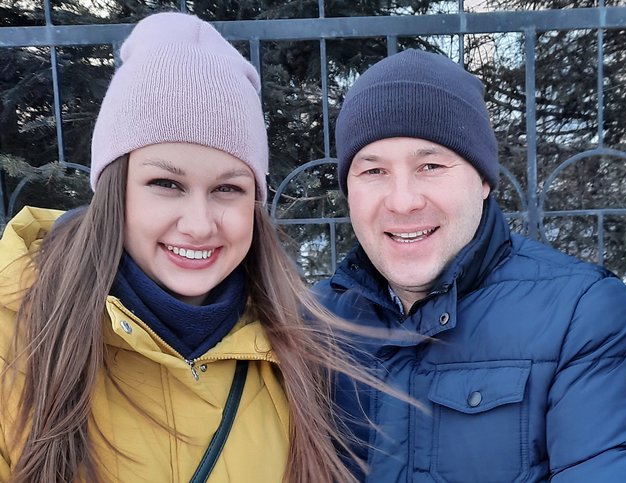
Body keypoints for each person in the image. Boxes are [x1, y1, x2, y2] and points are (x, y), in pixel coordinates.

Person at [0, 12, 370, 482]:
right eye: (166, 183)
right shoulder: (19, 330)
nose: (198, 226)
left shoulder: (303, 352)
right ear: (117, 190)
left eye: (227, 189)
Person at [314, 49, 626, 481]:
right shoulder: (308, 323)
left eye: (430, 166)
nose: (402, 200)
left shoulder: (580, 314)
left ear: (484, 179)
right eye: (373, 171)